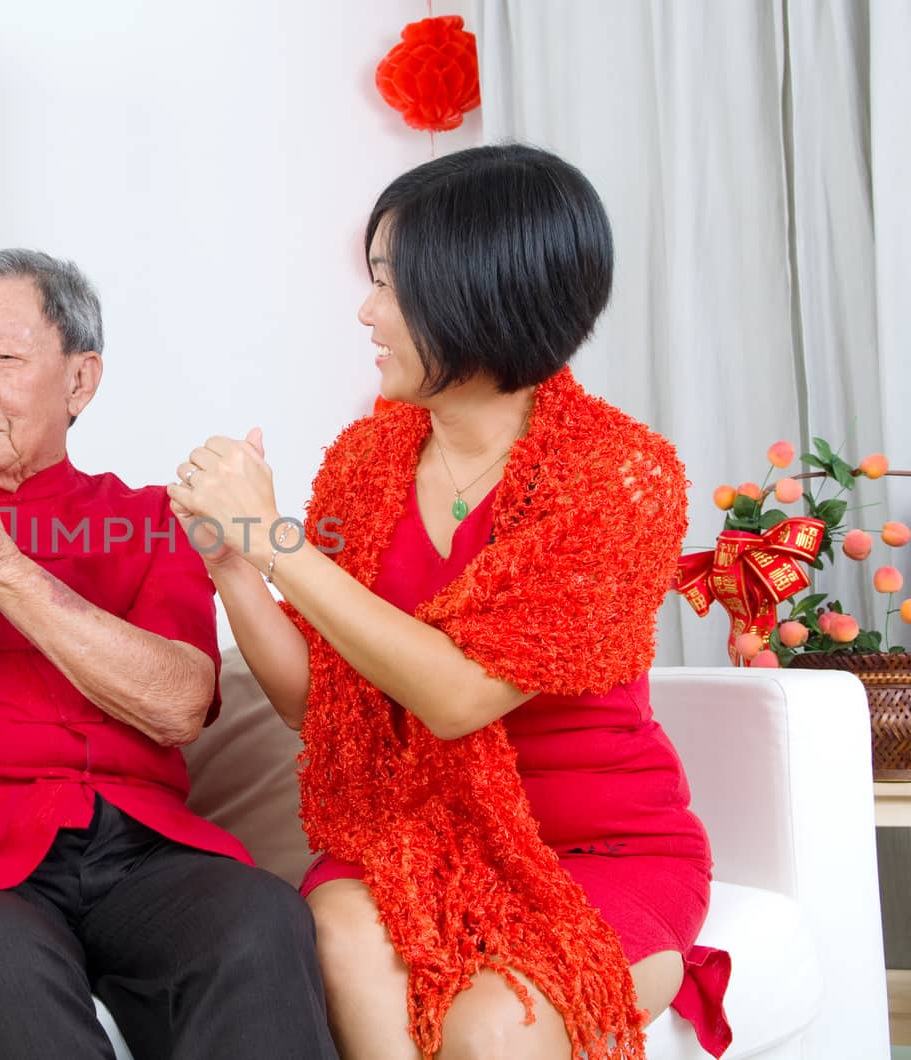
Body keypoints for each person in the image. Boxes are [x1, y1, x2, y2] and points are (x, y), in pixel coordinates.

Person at [169, 144, 730, 1060]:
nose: (366, 311)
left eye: (388, 283)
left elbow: (462, 694)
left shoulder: (620, 475)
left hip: (594, 849)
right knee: (340, 936)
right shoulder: (365, 461)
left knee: (485, 1029)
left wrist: (280, 542)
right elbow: (323, 707)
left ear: (477, 290)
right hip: (410, 836)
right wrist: (235, 565)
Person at [0, 248, 337, 1060]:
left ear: (80, 382)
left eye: (5, 358)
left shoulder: (148, 518)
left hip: (143, 852)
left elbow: (180, 703)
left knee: (260, 920)